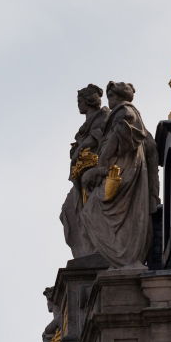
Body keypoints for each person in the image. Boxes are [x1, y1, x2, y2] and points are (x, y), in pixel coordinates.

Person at [80, 81, 160, 268]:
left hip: (121, 172)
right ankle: (123, 256)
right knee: (119, 213)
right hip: (129, 170)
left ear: (117, 97)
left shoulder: (123, 113)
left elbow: (114, 143)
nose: (109, 101)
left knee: (93, 210)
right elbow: (150, 146)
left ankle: (121, 257)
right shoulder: (132, 115)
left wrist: (99, 167)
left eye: (111, 97)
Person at [60, 84, 109, 258]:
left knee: (89, 210)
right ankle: (86, 249)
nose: (78, 104)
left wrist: (81, 147)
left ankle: (95, 248)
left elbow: (98, 137)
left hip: (93, 173)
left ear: (87, 100)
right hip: (81, 173)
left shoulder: (104, 115)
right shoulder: (88, 122)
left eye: (80, 100)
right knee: (70, 211)